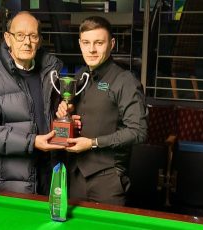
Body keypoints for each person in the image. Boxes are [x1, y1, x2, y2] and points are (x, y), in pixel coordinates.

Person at [0, 11, 65, 195]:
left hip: (48, 177)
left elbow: (48, 114)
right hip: (11, 184)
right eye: (20, 35)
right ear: (8, 38)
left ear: (40, 40)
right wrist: (32, 142)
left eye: (33, 36)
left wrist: (63, 112)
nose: (27, 42)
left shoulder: (50, 73)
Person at [56, 16, 148, 205]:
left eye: (99, 42)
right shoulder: (81, 75)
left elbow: (139, 131)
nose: (91, 49)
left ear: (112, 44)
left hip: (108, 180)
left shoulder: (125, 81)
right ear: (80, 44)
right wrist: (65, 112)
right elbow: (84, 116)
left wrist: (93, 143)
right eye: (86, 42)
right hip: (75, 176)